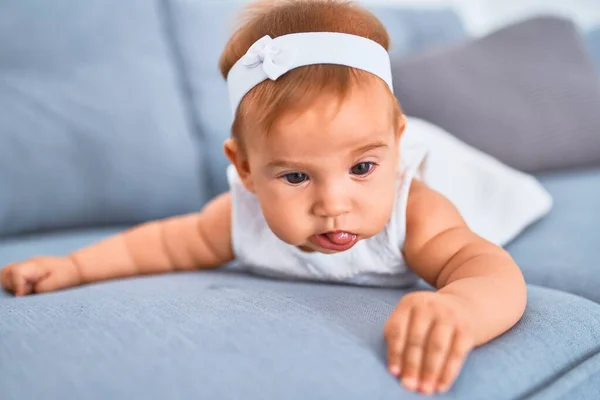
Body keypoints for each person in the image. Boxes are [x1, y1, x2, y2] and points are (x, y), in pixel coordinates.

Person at [1, 0, 527, 395]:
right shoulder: (240, 216)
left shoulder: (415, 211)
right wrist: (71, 266)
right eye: (296, 177)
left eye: (362, 167)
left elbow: (490, 272)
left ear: (393, 147)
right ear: (246, 169)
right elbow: (157, 246)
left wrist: (460, 309)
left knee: (487, 194)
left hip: (461, 179)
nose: (333, 203)